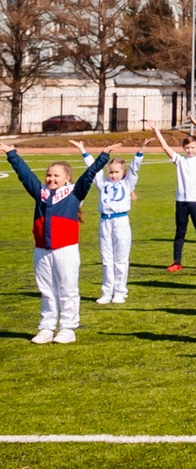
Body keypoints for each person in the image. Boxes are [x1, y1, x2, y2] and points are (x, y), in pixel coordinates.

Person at [2, 140, 105, 343]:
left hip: (65, 250)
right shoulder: (40, 193)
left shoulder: (75, 192)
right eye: (49, 175)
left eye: (56, 175)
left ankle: (68, 328)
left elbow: (89, 175)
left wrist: (103, 156)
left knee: (67, 289)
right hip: (42, 250)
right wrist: (11, 153)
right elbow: (26, 175)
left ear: (67, 178)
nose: (51, 178)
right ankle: (47, 327)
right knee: (47, 290)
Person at [151, 122, 196, 274]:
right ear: (184, 149)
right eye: (187, 148)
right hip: (181, 202)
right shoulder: (180, 160)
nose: (190, 150)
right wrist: (157, 130)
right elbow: (165, 148)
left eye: (193, 147)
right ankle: (176, 261)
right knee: (180, 232)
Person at [89, 143, 146, 304]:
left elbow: (135, 169)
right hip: (105, 221)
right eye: (111, 172)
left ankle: (120, 291)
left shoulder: (127, 183)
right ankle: (107, 291)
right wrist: (83, 152)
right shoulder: (103, 183)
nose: (113, 175)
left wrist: (140, 150)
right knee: (107, 258)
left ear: (123, 172)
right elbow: (93, 169)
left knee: (121, 258)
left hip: (121, 221)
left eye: (116, 172)